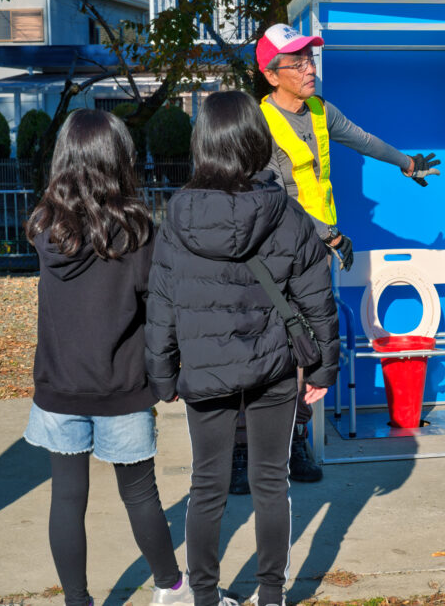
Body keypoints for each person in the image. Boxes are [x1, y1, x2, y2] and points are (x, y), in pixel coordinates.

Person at [145, 91, 339, 606]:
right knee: (271, 481)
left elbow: (161, 303)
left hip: (205, 373)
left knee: (206, 485)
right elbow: (317, 299)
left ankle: (205, 598)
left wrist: (162, 375)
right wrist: (321, 369)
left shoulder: (177, 218)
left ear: (203, 144)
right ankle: (271, 596)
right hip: (274, 368)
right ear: (257, 140)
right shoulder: (287, 213)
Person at [240, 22, 441, 485]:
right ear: (272, 75)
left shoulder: (319, 110)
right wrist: (327, 234)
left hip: (319, 254)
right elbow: (275, 196)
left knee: (309, 348)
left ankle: (298, 443)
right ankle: (256, 446)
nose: (310, 69)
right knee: (276, 349)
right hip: (274, 255)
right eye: (299, 62)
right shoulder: (258, 123)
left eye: (311, 59)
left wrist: (406, 164)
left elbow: (362, 139)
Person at [23, 109, 192, 606]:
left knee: (67, 499)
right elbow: (158, 306)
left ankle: (77, 600)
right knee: (140, 494)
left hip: (59, 383)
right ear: (119, 159)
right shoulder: (138, 231)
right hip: (122, 385)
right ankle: (170, 588)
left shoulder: (44, 228)